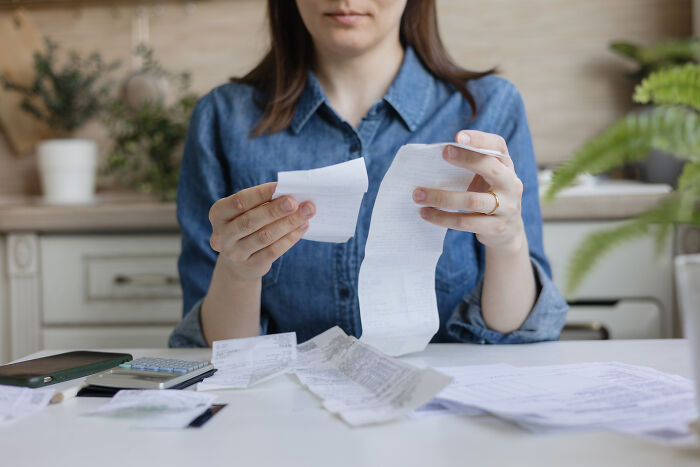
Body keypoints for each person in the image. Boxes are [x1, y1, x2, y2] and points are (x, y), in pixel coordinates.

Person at [169, 0, 568, 348]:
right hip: (284, 417)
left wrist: (508, 241)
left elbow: (516, 335)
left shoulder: (491, 108)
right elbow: (215, 351)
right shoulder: (221, 120)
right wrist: (238, 272)